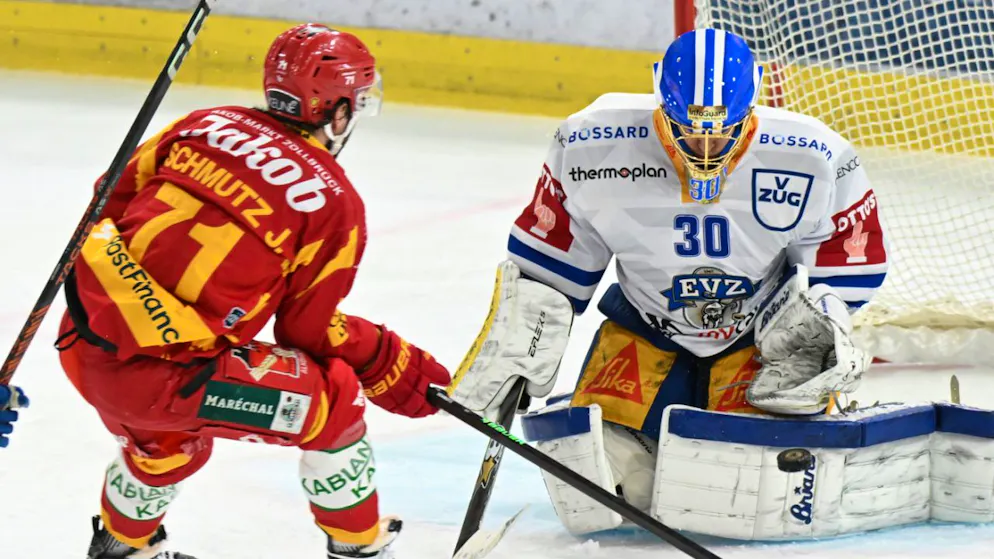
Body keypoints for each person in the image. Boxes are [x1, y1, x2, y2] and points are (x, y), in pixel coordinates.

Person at [449, 28, 891, 538]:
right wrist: (522, 341)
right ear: (660, 104)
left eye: (722, 133)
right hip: (644, 332)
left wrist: (818, 328)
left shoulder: (815, 156)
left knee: (752, 497)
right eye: (688, 131)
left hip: (758, 347)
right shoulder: (591, 144)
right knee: (603, 486)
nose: (704, 148)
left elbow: (847, 267)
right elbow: (553, 266)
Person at [56, 24, 450, 559]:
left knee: (168, 443)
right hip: (166, 379)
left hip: (83, 341)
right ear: (337, 111)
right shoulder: (332, 203)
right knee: (336, 399)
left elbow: (107, 201)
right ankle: (359, 547)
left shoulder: (202, 123)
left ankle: (122, 547)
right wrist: (380, 355)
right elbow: (306, 332)